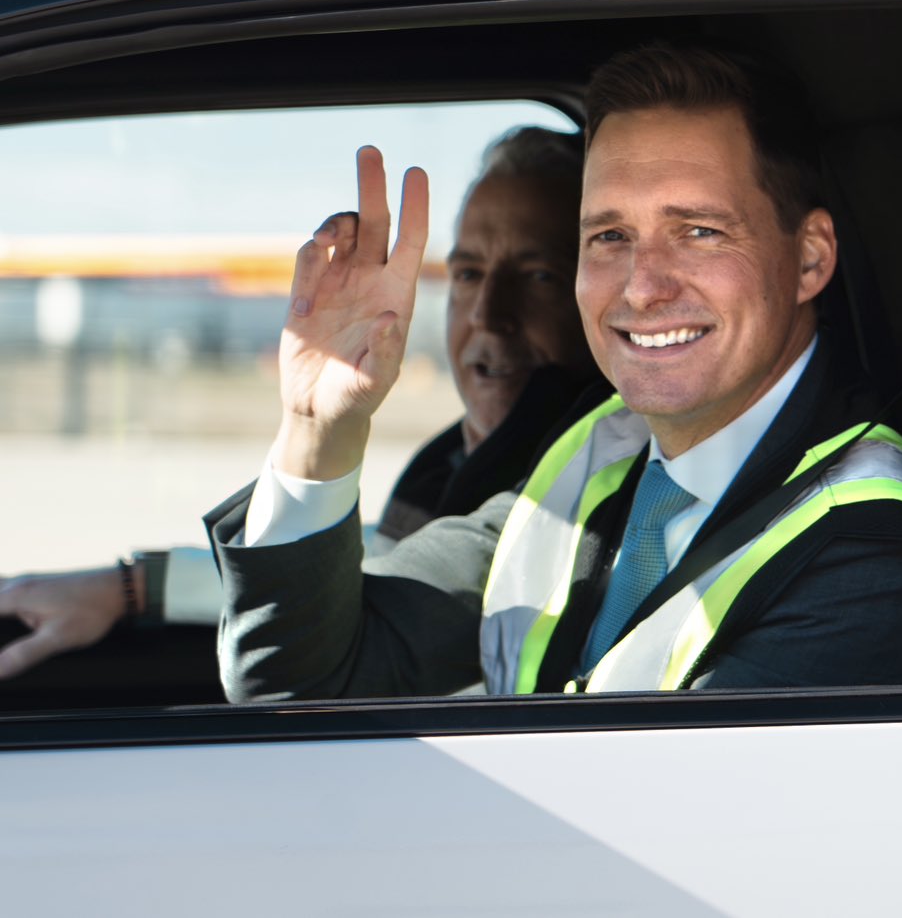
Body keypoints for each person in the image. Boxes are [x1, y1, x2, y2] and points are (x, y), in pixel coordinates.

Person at [207, 42, 902, 700]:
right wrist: (319, 431)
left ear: (810, 259)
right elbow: (296, 685)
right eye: (610, 237)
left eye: (698, 231)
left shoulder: (880, 550)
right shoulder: (595, 456)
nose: (642, 287)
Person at [0, 126, 599, 684]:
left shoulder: (576, 490)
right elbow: (384, 554)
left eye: (540, 276)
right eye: (467, 274)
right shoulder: (448, 463)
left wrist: (140, 588)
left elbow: (342, 624)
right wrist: (137, 586)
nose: (488, 315)